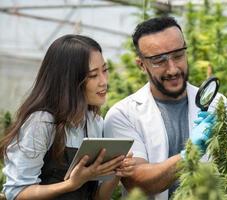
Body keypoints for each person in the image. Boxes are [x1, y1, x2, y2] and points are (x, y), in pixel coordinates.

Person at [104, 16, 227, 200]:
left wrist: (219, 143)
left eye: (178, 55)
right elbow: (137, 182)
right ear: (141, 65)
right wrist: (191, 154)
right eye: (159, 60)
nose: (173, 69)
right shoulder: (123, 115)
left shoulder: (217, 103)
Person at [0, 34, 135, 200]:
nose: (103, 81)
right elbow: (16, 193)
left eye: (105, 70)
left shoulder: (94, 122)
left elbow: (98, 197)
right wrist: (71, 184)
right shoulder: (42, 122)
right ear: (69, 80)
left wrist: (116, 172)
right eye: (93, 75)